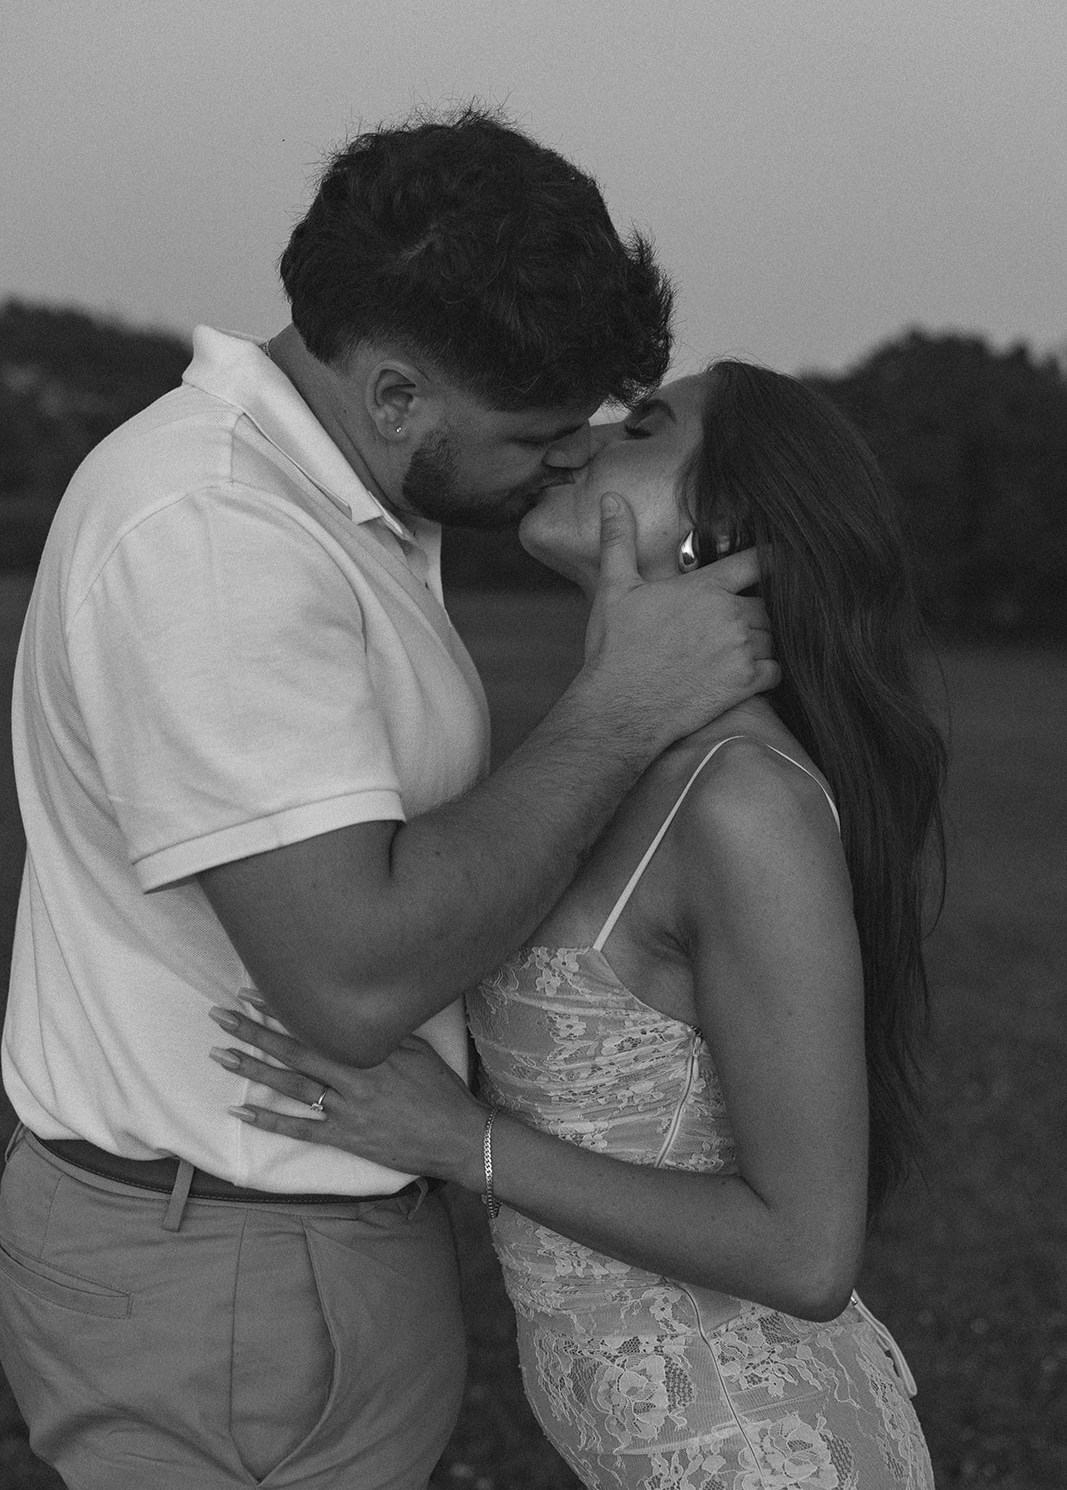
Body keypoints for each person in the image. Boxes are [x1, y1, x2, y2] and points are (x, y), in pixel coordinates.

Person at [0, 109, 776, 1490]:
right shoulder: (217, 540)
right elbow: (349, 985)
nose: (567, 458)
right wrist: (618, 709)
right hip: (231, 1273)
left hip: (283, 1242)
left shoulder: (336, 504)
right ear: (396, 398)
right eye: (537, 432)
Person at [210, 359, 947, 1489]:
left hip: (759, 1452)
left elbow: (805, 1250)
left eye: (641, 426)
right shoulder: (616, 749)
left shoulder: (742, 799)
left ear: (722, 527)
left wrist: (461, 1142)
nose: (584, 437)